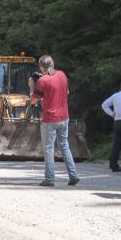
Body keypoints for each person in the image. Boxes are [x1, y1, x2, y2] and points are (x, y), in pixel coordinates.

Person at [33, 54, 79, 187]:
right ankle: (73, 175)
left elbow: (34, 100)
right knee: (64, 146)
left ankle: (50, 179)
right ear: (52, 63)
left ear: (41, 66)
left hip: (49, 118)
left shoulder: (42, 81)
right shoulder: (62, 75)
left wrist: (33, 85)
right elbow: (66, 92)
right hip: (64, 116)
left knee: (48, 148)